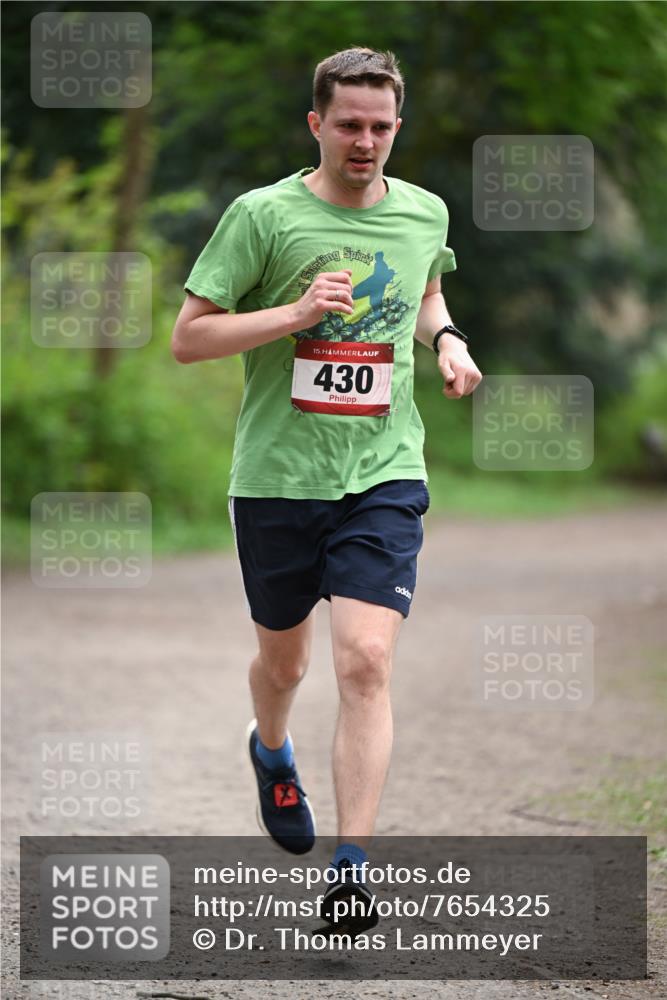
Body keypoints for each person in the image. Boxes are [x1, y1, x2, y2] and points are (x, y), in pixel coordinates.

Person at [172, 46, 482, 932]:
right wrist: (299, 315)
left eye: (381, 126)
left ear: (397, 128)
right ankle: (271, 749)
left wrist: (448, 340)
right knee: (286, 663)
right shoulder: (262, 215)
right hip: (276, 476)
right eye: (348, 124)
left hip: (382, 470)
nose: (366, 141)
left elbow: (425, 293)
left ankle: (352, 870)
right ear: (316, 123)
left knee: (365, 660)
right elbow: (190, 339)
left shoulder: (423, 210)